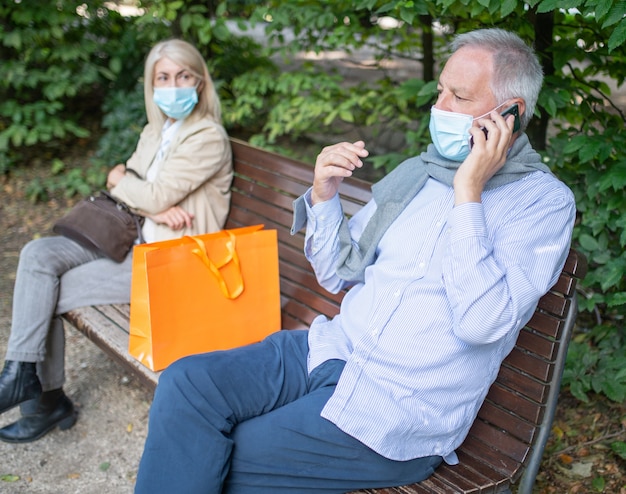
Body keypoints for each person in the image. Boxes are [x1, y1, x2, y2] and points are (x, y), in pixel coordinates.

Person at [134, 28, 576, 493]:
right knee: (186, 385)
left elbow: (481, 323)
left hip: (397, 408)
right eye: (440, 91)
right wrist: (325, 195)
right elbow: (335, 274)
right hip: (332, 348)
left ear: (511, 113)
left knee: (227, 453)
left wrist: (469, 194)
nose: (439, 108)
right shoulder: (418, 176)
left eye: (459, 97)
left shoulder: (543, 205)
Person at [0, 39, 233, 443]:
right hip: (130, 234)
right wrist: (147, 200)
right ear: (151, 84)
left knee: (46, 291)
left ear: (199, 82)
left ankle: (45, 402)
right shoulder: (155, 130)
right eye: (163, 77)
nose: (173, 85)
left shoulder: (208, 137)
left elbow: (140, 189)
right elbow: (144, 195)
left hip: (171, 259)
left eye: (183, 76)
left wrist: (126, 184)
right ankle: (20, 373)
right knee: (38, 254)